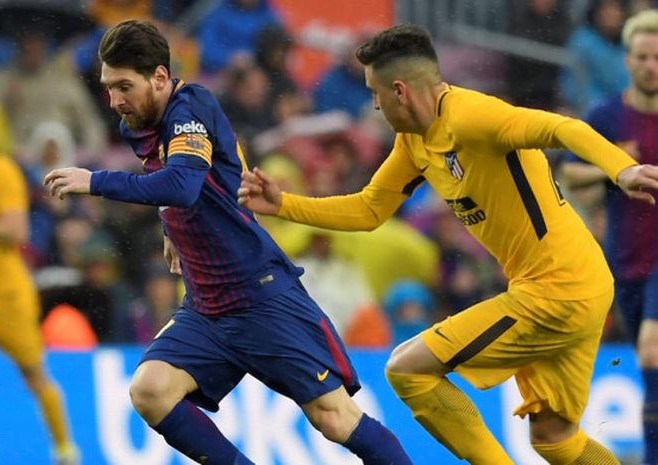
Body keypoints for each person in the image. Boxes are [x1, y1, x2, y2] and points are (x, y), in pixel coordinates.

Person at [238, 23, 658, 465]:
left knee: (407, 369)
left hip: (558, 288)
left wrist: (622, 169)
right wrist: (283, 204)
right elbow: (369, 210)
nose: (373, 104)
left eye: (375, 93)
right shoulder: (415, 140)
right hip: (580, 282)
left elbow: (562, 128)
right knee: (555, 438)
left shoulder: (471, 116)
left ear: (399, 90)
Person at [43, 20, 413, 465]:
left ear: (160, 77)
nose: (115, 100)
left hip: (260, 296)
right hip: (207, 304)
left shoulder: (190, 107)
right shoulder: (137, 121)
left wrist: (94, 180)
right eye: (107, 87)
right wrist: (170, 227)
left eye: (124, 86)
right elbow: (192, 183)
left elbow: (181, 184)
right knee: (151, 390)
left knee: (334, 418)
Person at [0, 103, 80, 465]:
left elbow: (18, 231)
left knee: (34, 376)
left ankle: (64, 449)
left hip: (7, 292)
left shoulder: (2, 172)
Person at [562, 9, 658, 465]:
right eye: (642, 56)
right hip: (628, 259)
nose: (650, 66)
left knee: (652, 349)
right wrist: (613, 165)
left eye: (657, 57)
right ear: (627, 60)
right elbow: (569, 175)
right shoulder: (606, 116)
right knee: (649, 363)